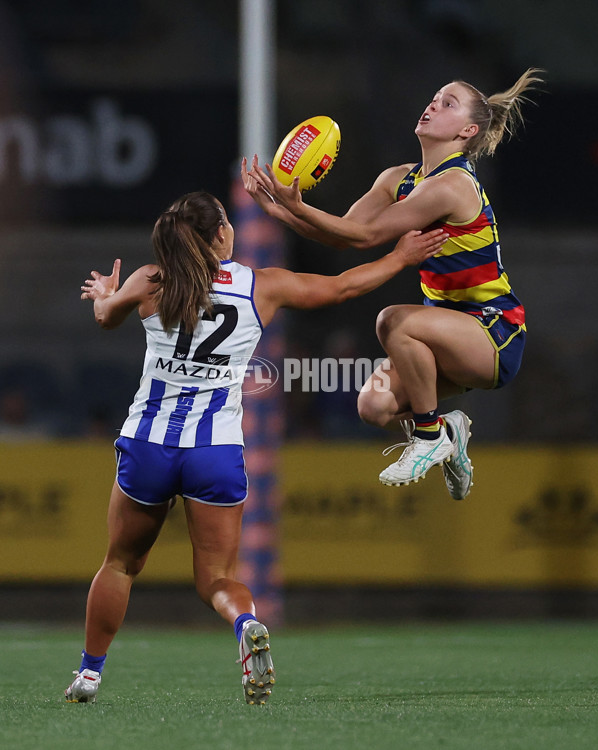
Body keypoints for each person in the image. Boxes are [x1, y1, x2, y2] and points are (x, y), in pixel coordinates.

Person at [64, 190, 448, 705]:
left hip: (149, 443)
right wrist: (400, 257)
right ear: (222, 232)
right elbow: (341, 288)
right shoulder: (258, 286)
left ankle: (89, 676)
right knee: (219, 578)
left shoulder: (151, 280)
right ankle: (245, 622)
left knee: (120, 565)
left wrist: (108, 294)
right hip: (215, 452)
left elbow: (107, 316)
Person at [243, 68, 543, 500]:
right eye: (436, 95)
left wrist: (297, 208)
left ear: (467, 131)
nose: (434, 103)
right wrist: (282, 212)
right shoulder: (397, 178)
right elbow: (344, 233)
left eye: (448, 103)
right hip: (440, 336)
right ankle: (445, 429)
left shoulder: (454, 186)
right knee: (373, 405)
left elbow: (368, 237)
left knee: (393, 321)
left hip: (493, 333)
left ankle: (426, 438)